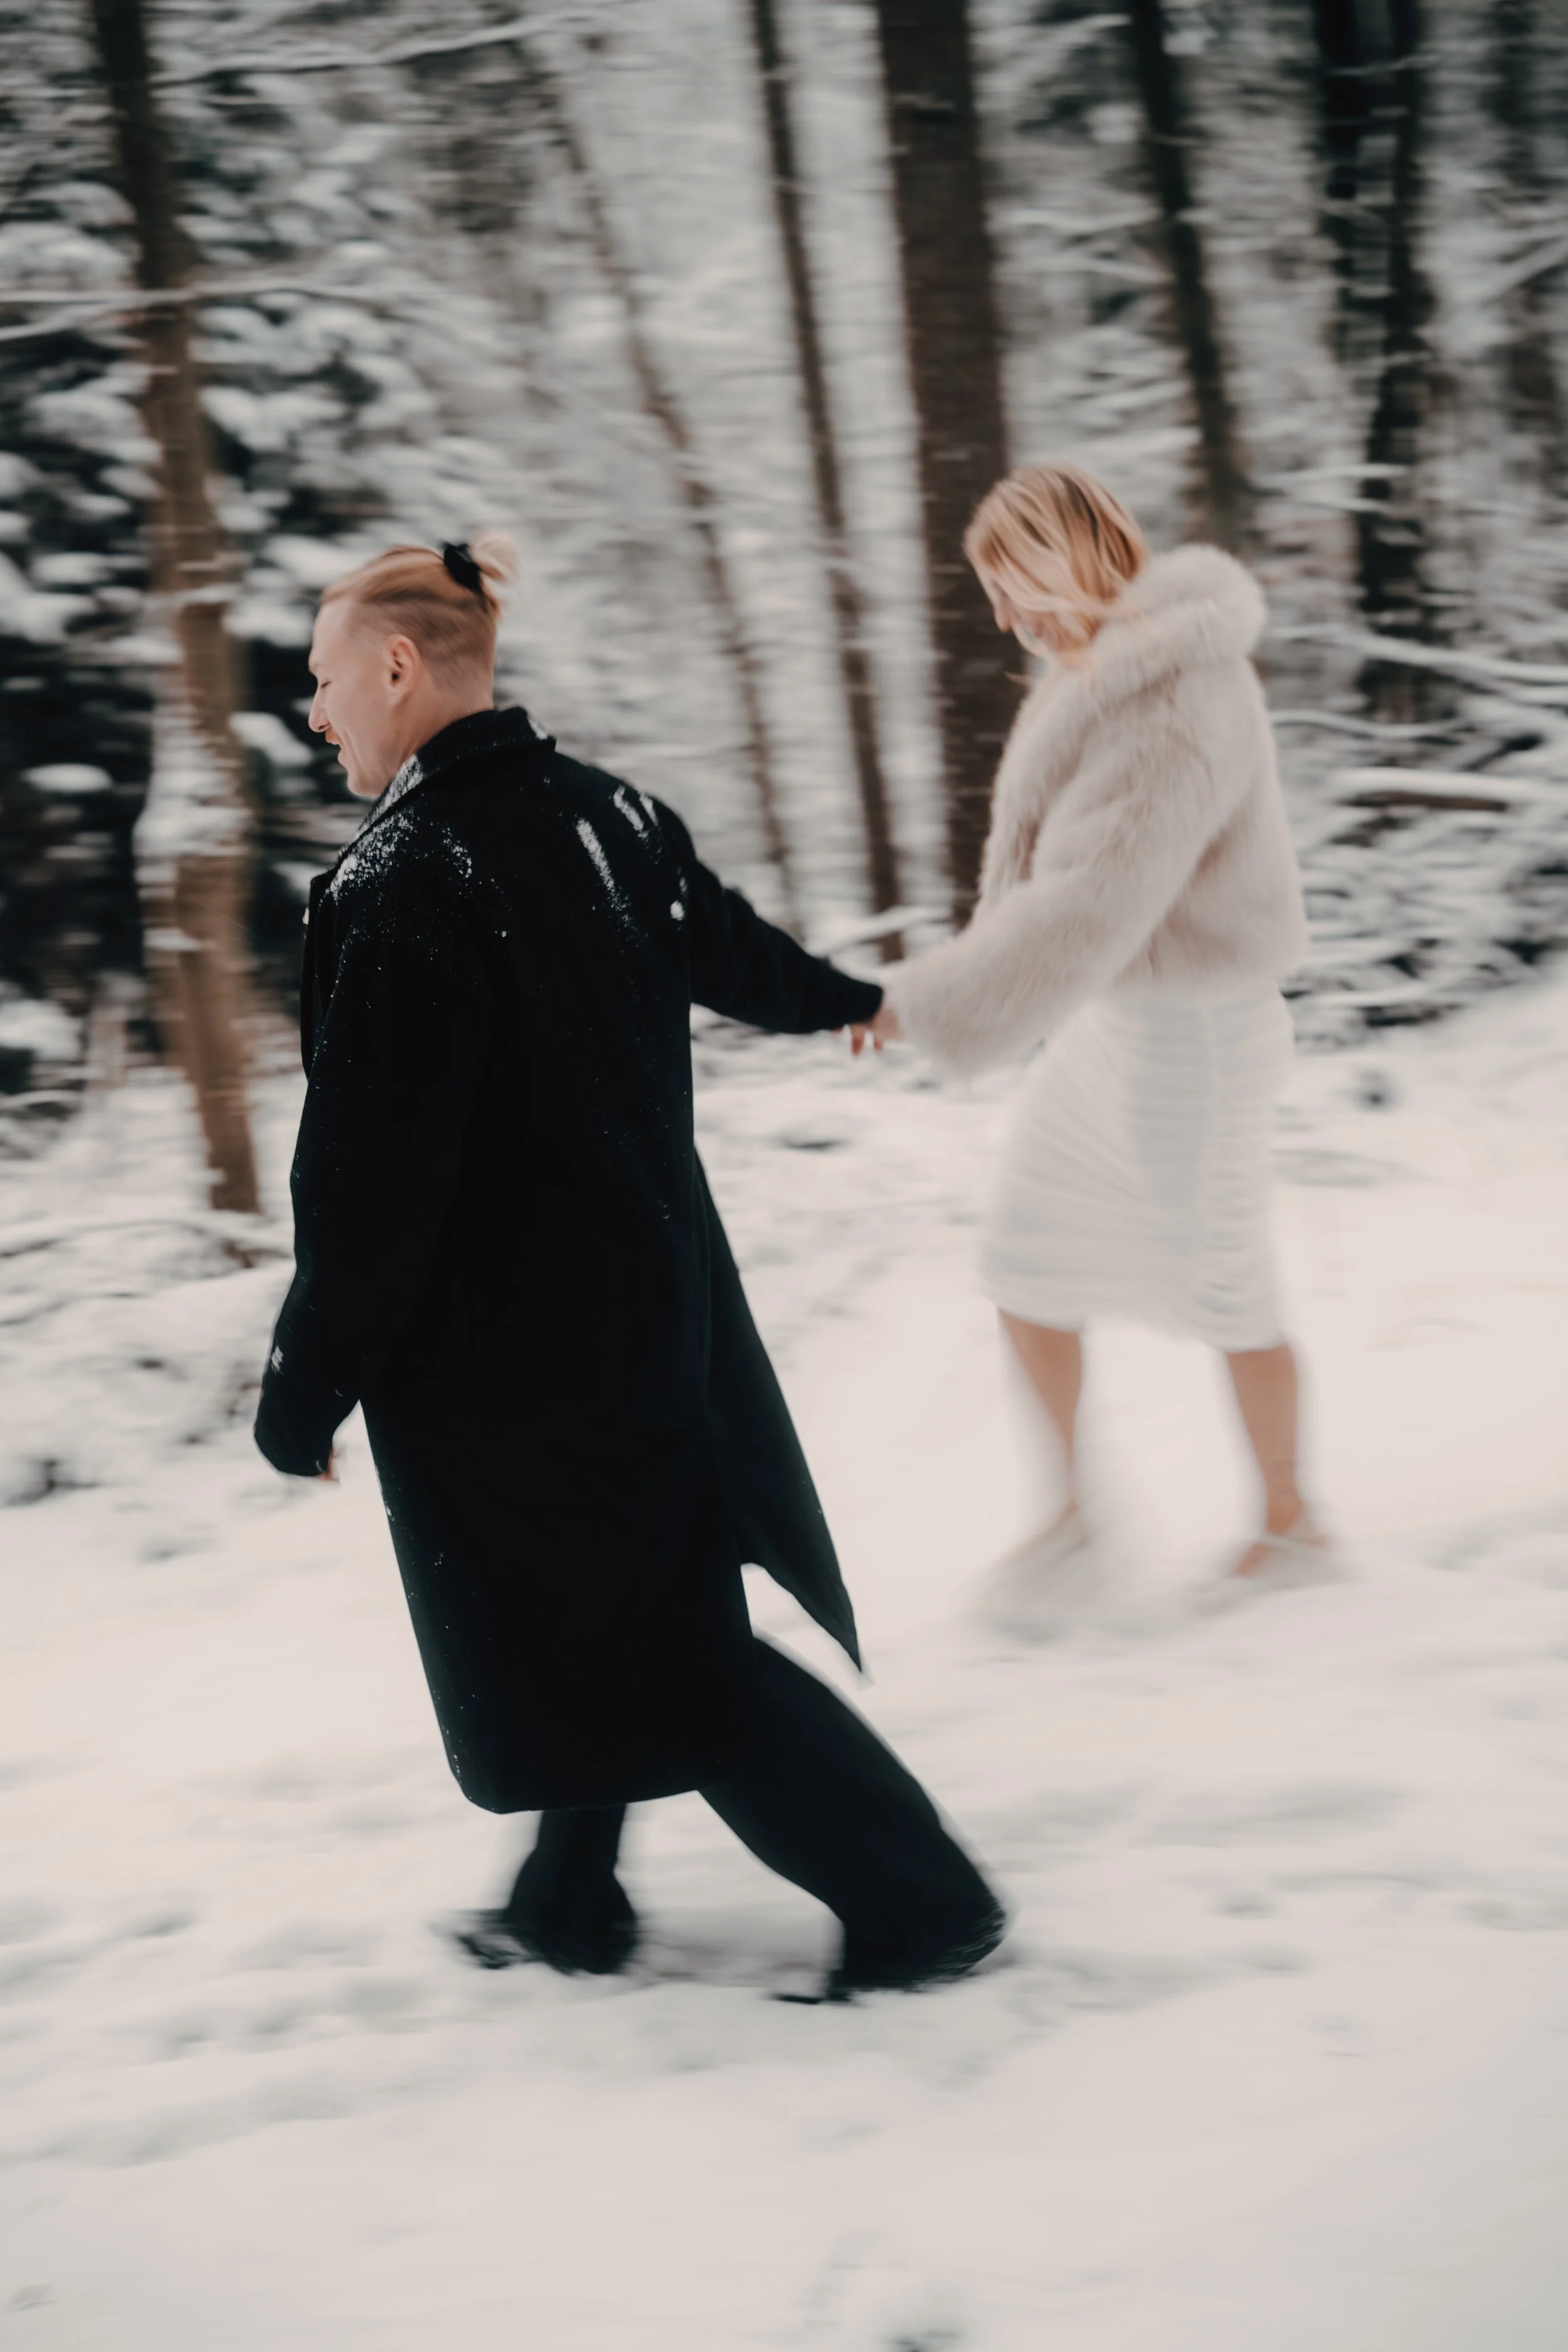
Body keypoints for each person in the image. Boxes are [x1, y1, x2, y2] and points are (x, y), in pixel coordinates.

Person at [253, 532, 1004, 1998]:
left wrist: (303, 1387)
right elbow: (729, 954)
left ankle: (921, 1903)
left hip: (508, 1367)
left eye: (325, 678)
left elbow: (367, 1187)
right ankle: (565, 1902)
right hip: (654, 1318)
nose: (316, 710)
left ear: (400, 666)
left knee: (657, 1653)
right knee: (603, 1614)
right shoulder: (613, 818)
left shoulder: (404, 880)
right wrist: (843, 1001)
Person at [866, 466, 1320, 1621]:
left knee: (1226, 1283)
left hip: (1197, 1033)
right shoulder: (1106, 672)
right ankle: (1073, 1527)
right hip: (1121, 1023)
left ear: (1065, 555)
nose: (1005, 620)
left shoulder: (1177, 694)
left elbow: (1089, 900)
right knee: (1026, 1257)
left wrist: (923, 1000)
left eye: (1011, 589)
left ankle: (1293, 1522)